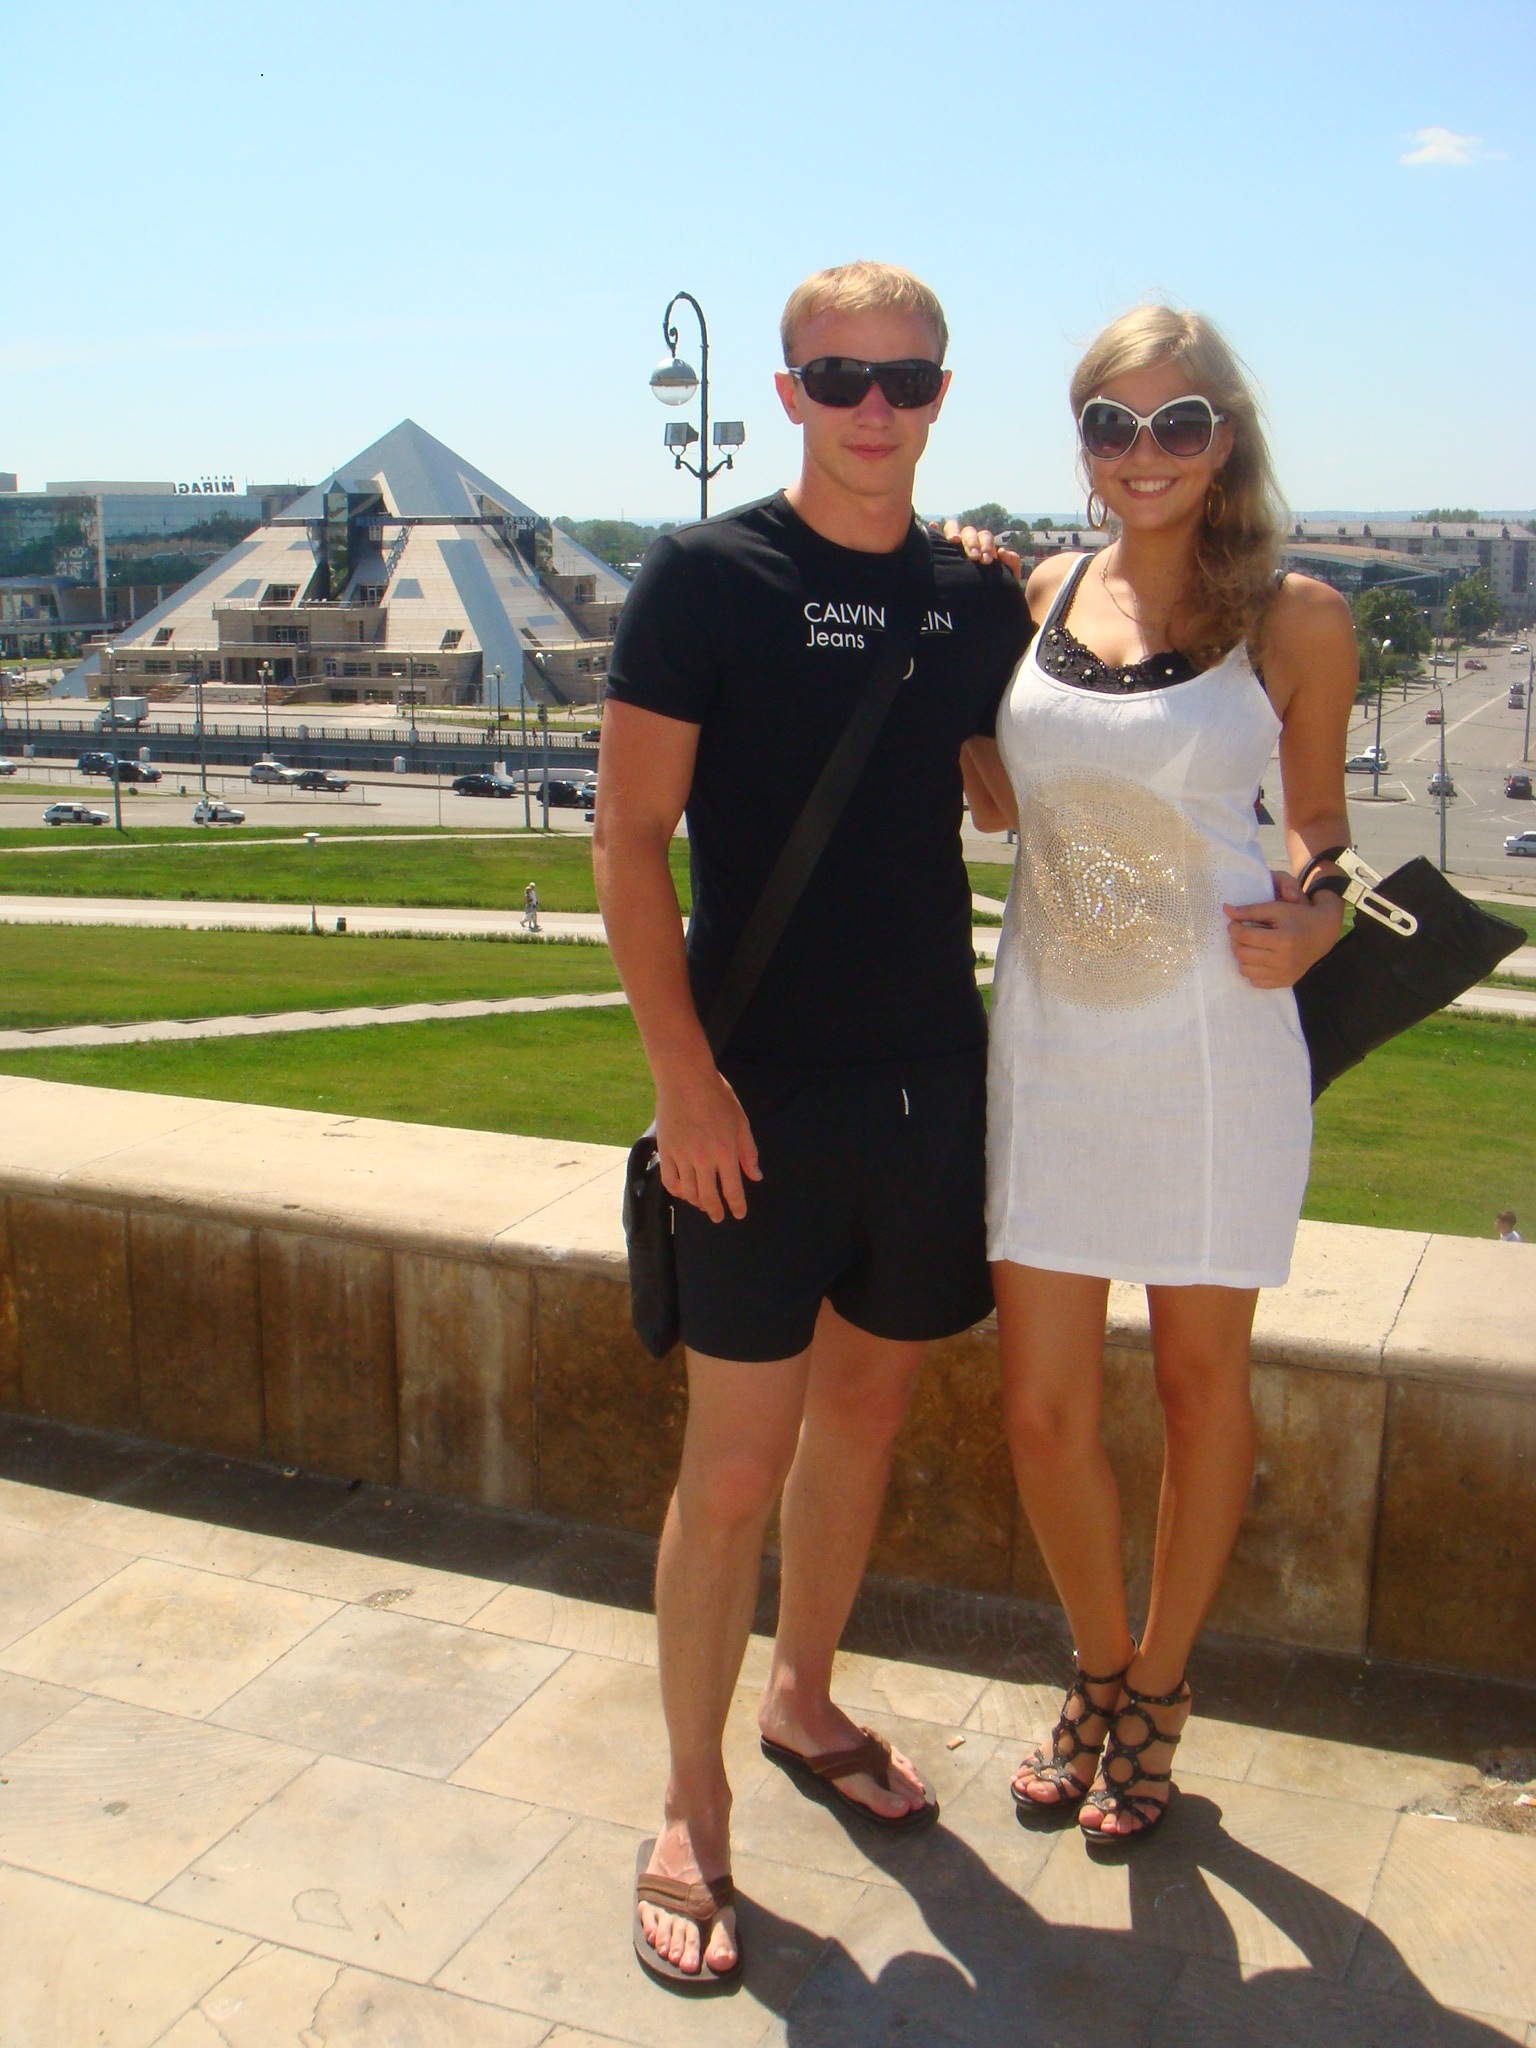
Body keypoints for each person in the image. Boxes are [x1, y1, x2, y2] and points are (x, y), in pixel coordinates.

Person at [594, 260, 1030, 1980]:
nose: (873, 408)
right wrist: (682, 1080)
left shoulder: (974, 597)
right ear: (784, 393)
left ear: (940, 398)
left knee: (864, 1420)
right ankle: (691, 1804)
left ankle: (803, 1697)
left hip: (928, 1086)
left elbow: (1018, 782)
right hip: (751, 1100)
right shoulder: (708, 578)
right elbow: (629, 844)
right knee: (730, 1471)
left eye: (905, 380)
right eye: (839, 377)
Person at [960, 305, 1355, 1848]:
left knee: (1200, 1387)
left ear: (1225, 438)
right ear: (1082, 442)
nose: (1145, 452)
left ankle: (1159, 1693)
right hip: (1051, 1044)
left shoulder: (1295, 616)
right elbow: (996, 778)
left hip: (1212, 1050)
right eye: (1112, 424)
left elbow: (1314, 823)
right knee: (1041, 1407)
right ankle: (1098, 1665)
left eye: (1178, 422)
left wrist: (1319, 910)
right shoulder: (1038, 592)